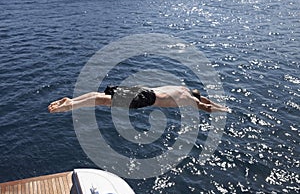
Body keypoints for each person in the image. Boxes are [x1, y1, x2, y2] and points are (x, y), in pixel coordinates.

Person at [48, 85, 230, 113]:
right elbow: (205, 106)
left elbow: (204, 98)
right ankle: (71, 105)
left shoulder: (181, 88)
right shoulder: (190, 100)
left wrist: (219, 103)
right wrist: (223, 109)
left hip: (142, 89)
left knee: (102, 96)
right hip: (146, 99)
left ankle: (72, 100)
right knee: (103, 101)